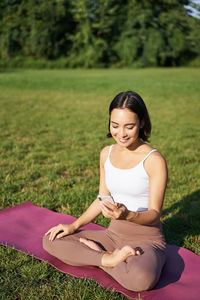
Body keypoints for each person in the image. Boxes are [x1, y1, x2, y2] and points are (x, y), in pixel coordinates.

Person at [43, 91, 167, 292]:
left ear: (142, 123)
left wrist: (127, 215)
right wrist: (73, 226)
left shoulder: (154, 160)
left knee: (141, 279)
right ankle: (109, 259)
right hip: (113, 235)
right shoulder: (106, 154)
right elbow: (103, 198)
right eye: (115, 125)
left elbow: (154, 215)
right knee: (51, 239)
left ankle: (99, 258)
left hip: (147, 239)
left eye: (130, 126)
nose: (122, 134)